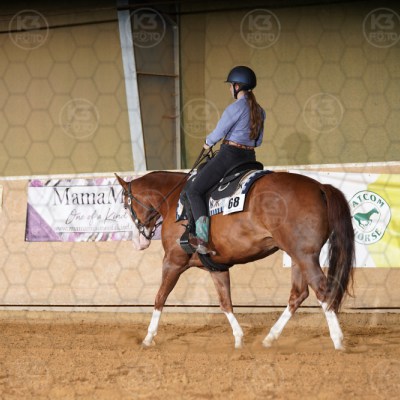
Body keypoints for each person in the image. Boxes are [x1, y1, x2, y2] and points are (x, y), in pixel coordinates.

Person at [186, 65, 266, 254]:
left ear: (237, 86)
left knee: (194, 190)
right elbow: (259, 141)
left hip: (230, 155)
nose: (230, 88)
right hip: (250, 157)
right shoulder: (260, 111)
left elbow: (219, 132)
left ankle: (202, 238)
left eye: (231, 85)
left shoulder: (236, 107)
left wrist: (207, 143)